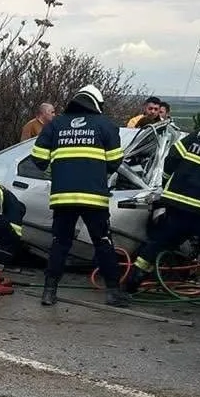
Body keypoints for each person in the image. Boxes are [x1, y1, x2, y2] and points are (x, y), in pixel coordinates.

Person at [124, 104, 200, 298]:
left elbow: (172, 156)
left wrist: (166, 182)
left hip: (176, 202)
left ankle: (131, 283)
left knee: (157, 244)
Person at [32, 85, 128, 307]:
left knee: (60, 243)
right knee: (103, 243)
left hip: (63, 197)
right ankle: (113, 293)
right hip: (94, 197)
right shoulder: (105, 125)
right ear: (97, 103)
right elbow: (115, 161)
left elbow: (38, 158)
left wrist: (61, 167)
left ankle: (49, 292)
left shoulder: (55, 124)